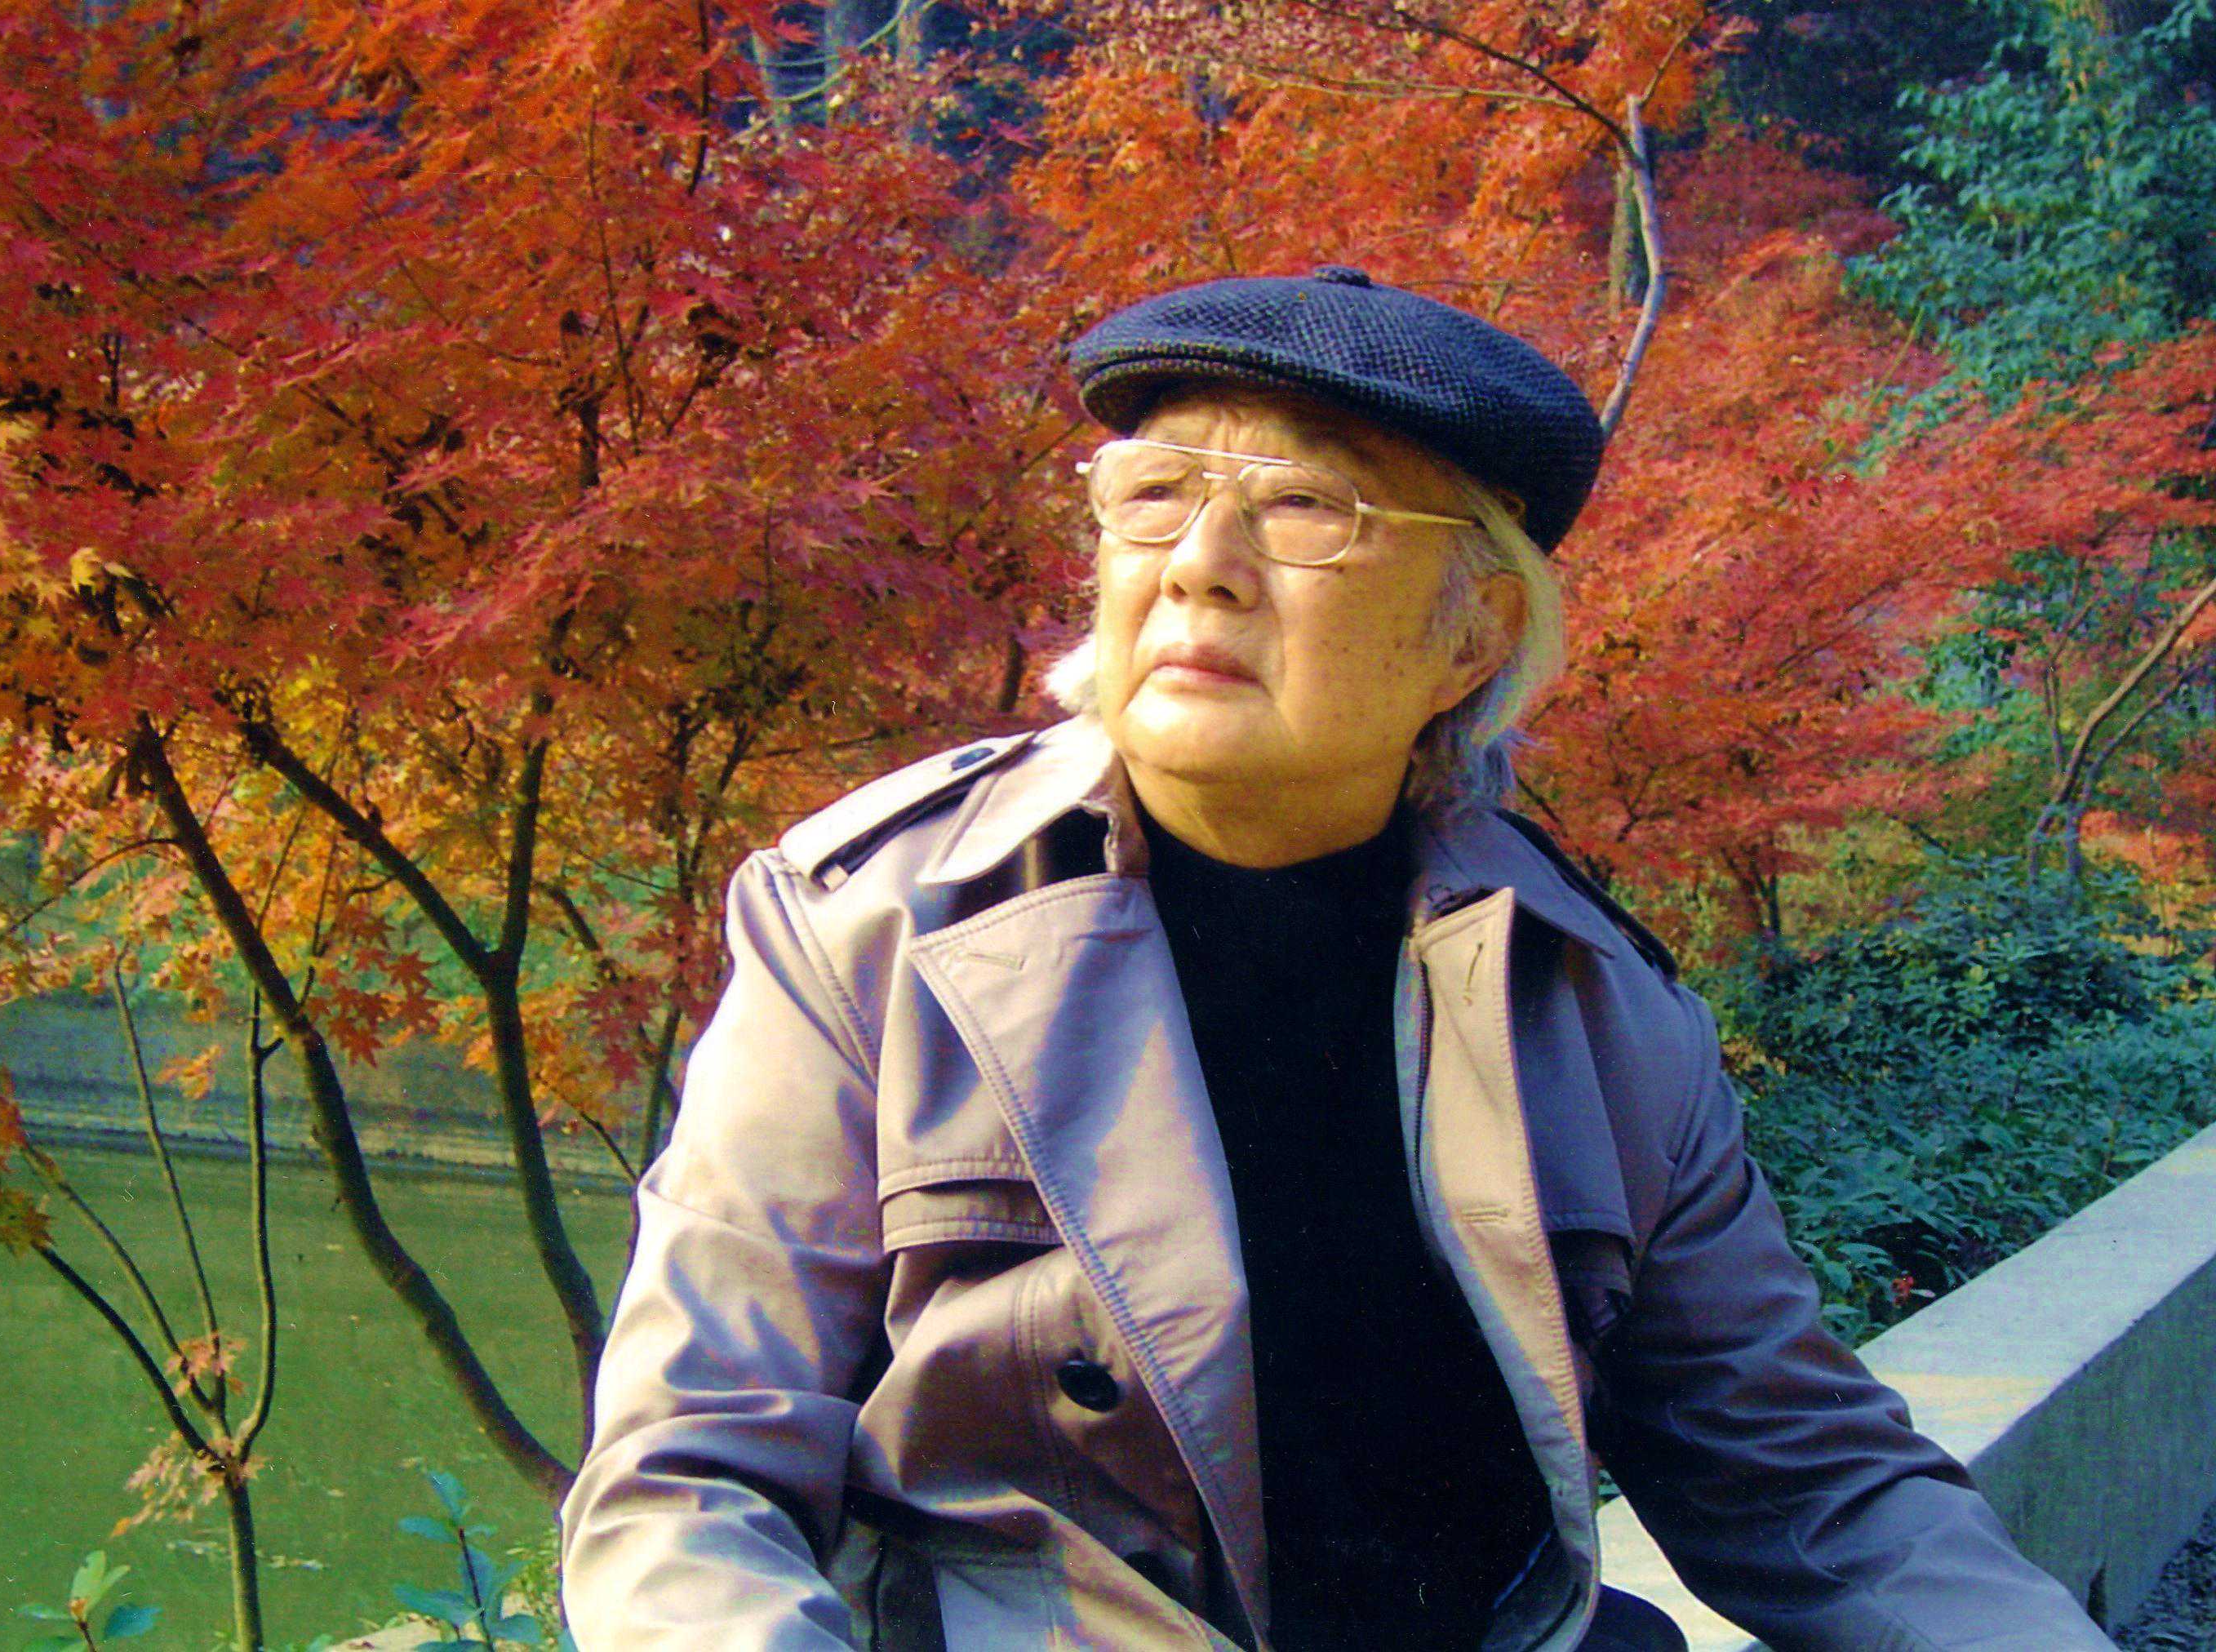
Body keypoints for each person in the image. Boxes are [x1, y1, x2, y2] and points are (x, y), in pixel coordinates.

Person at [557, 267, 2116, 1650]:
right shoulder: (876, 930)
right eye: (1154, 493)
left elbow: (1812, 1481)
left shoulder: (1595, 1008)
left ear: (1473, 635)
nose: (1201, 563)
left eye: (1307, 508)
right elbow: (691, 1476)